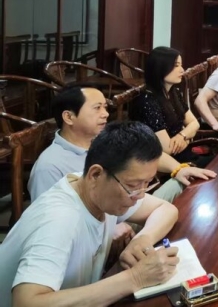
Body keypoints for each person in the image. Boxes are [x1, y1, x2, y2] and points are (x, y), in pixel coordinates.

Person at [0, 121, 180, 306]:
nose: (140, 195)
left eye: (147, 183)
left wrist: (141, 240)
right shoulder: (59, 218)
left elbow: (166, 210)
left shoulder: (99, 190)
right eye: (133, 186)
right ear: (95, 175)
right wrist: (135, 278)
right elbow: (26, 303)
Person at [29, 85, 215, 203]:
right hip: (104, 230)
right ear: (69, 117)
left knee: (187, 182)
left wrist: (179, 169)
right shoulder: (49, 166)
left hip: (127, 209)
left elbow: (144, 155)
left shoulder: (103, 139)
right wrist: (110, 227)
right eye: (97, 108)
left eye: (105, 107)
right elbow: (49, 221)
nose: (105, 114)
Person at [130, 47, 213, 167]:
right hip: (174, 165)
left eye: (181, 65)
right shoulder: (147, 101)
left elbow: (195, 123)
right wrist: (188, 137)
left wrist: (182, 136)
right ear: (160, 68)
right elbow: (168, 149)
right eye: (176, 66)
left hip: (187, 155)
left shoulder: (174, 92)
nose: (182, 70)